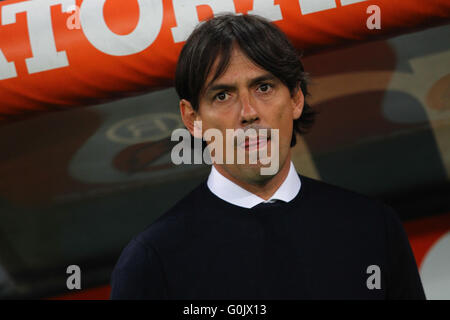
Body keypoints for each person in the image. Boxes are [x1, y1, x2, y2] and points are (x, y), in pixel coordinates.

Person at [110, 13, 425, 300]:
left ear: (296, 99)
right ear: (193, 119)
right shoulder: (152, 261)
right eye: (222, 95)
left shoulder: (372, 227)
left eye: (263, 87)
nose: (248, 113)